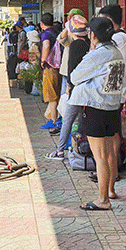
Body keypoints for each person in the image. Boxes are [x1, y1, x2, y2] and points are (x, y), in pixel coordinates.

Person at [70, 17, 125, 210]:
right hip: (111, 107)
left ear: (93, 35)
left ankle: (103, 200)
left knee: (99, 156)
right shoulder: (116, 51)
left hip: (95, 107)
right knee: (110, 153)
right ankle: (110, 190)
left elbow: (75, 76)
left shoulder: (98, 54)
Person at [45, 14, 89, 159]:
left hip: (76, 88)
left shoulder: (75, 45)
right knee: (82, 120)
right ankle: (82, 147)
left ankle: (60, 150)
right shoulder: (88, 43)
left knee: (67, 120)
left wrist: (69, 85)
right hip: (87, 87)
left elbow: (71, 69)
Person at [98, 4, 126, 176]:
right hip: (112, 92)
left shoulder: (119, 39)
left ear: (110, 21)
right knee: (110, 133)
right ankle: (111, 170)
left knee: (111, 134)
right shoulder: (119, 38)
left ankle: (112, 170)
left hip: (114, 93)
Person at [40, 13, 62, 124]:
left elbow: (46, 46)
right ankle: (56, 118)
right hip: (59, 67)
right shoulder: (56, 32)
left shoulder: (45, 35)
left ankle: (54, 121)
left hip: (50, 67)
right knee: (57, 93)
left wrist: (43, 60)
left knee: (52, 96)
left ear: (41, 24)